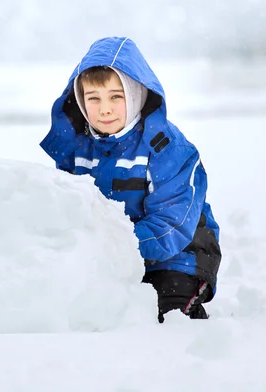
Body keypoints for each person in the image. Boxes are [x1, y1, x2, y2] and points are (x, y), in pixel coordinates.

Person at [40, 37, 221, 322]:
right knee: (72, 307)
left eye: (116, 96)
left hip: (178, 253)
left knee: (161, 312)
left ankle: (186, 309)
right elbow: (64, 207)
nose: (105, 109)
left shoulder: (169, 150)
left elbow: (171, 223)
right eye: (94, 98)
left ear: (136, 96)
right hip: (106, 256)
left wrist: (115, 247)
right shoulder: (77, 148)